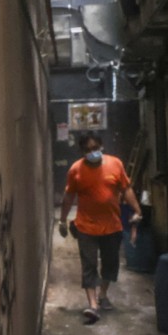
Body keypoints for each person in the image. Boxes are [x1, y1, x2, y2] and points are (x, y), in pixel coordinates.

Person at [58, 132, 142, 324]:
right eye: (87, 150)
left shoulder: (115, 164)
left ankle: (103, 294)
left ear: (101, 146)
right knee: (89, 266)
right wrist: (63, 220)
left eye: (95, 148)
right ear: (82, 152)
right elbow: (69, 196)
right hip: (86, 226)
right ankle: (93, 305)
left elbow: (126, 189)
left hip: (112, 226)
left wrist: (137, 209)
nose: (92, 152)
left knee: (110, 265)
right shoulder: (76, 170)